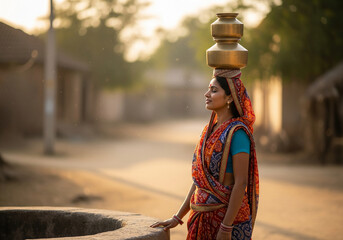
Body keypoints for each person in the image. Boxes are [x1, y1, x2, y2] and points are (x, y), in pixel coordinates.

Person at [151, 69, 259, 240]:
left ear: (230, 97)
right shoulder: (208, 131)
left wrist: (226, 227)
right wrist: (177, 217)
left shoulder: (237, 133)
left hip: (227, 223)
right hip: (201, 219)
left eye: (214, 90)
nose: (206, 94)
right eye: (209, 89)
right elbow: (200, 181)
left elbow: (241, 183)